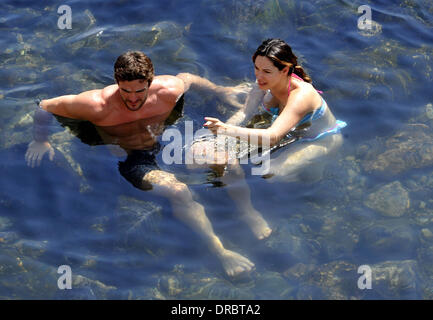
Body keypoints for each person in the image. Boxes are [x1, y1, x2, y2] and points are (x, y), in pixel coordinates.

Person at [25, 51, 255, 277]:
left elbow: (189, 77)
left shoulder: (168, 89)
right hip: (134, 158)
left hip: (171, 141)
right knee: (179, 191)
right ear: (117, 83)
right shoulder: (95, 104)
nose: (133, 98)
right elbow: (45, 106)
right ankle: (220, 251)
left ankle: (248, 212)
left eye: (139, 90)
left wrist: (220, 90)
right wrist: (40, 140)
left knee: (227, 162)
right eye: (125, 91)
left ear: (150, 82)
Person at [202, 38, 346, 181]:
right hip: (293, 132)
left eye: (266, 71)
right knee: (243, 156)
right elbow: (244, 113)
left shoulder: (302, 96)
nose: (259, 76)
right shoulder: (262, 82)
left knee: (270, 172)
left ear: (284, 70)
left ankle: (312, 178)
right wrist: (215, 138)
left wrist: (225, 130)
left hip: (320, 140)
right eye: (256, 68)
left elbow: (272, 137)